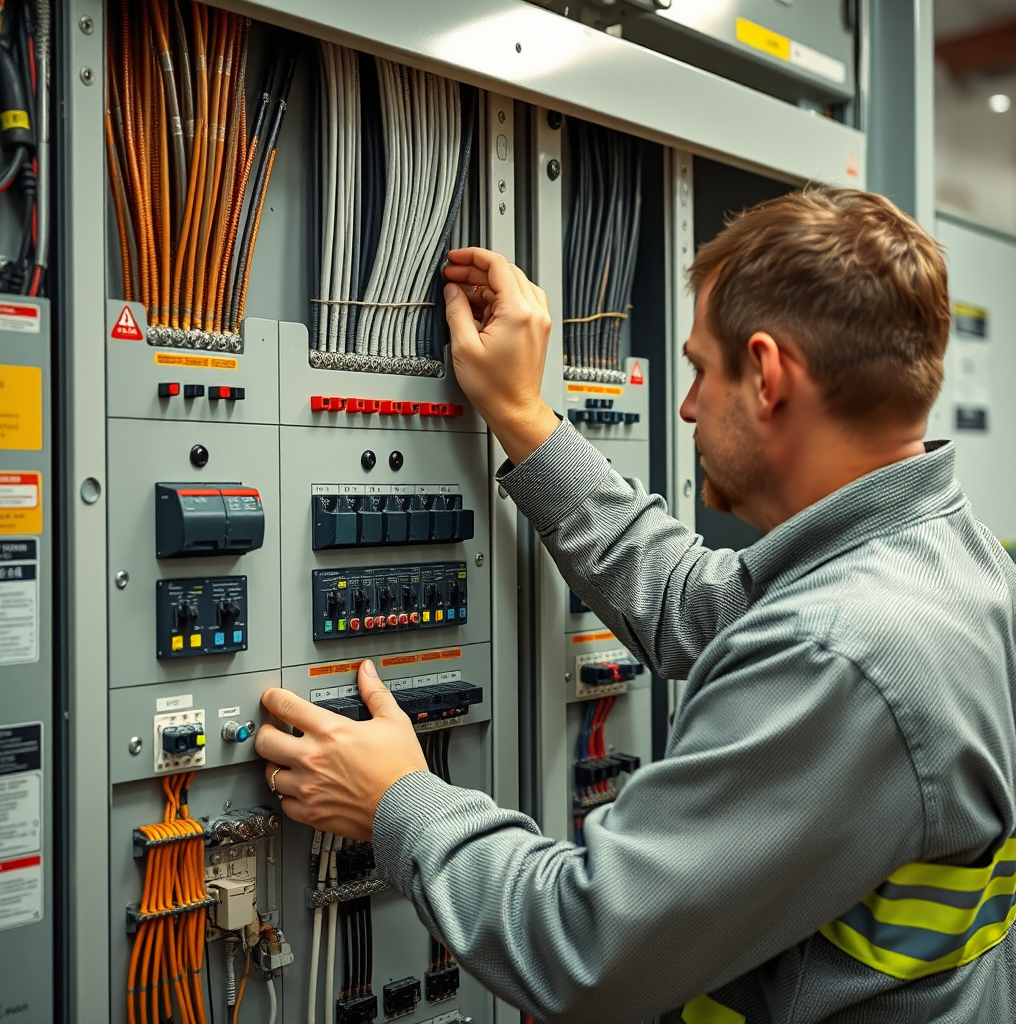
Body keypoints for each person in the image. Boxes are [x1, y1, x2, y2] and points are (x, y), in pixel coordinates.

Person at [256, 186, 1016, 1024]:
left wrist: (398, 800)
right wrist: (522, 416)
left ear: (766, 375)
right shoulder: (949, 563)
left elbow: (590, 950)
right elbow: (698, 606)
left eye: (699, 370)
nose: (685, 405)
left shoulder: (844, 650)